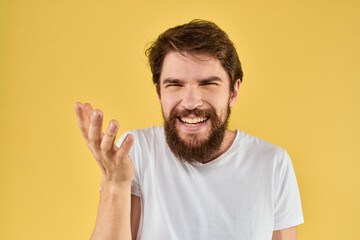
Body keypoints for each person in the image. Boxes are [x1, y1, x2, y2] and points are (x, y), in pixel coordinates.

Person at [75, 19, 304, 240]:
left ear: (233, 92)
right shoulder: (138, 151)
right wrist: (115, 183)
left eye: (207, 84)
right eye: (175, 85)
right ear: (159, 93)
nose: (191, 102)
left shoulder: (273, 163)